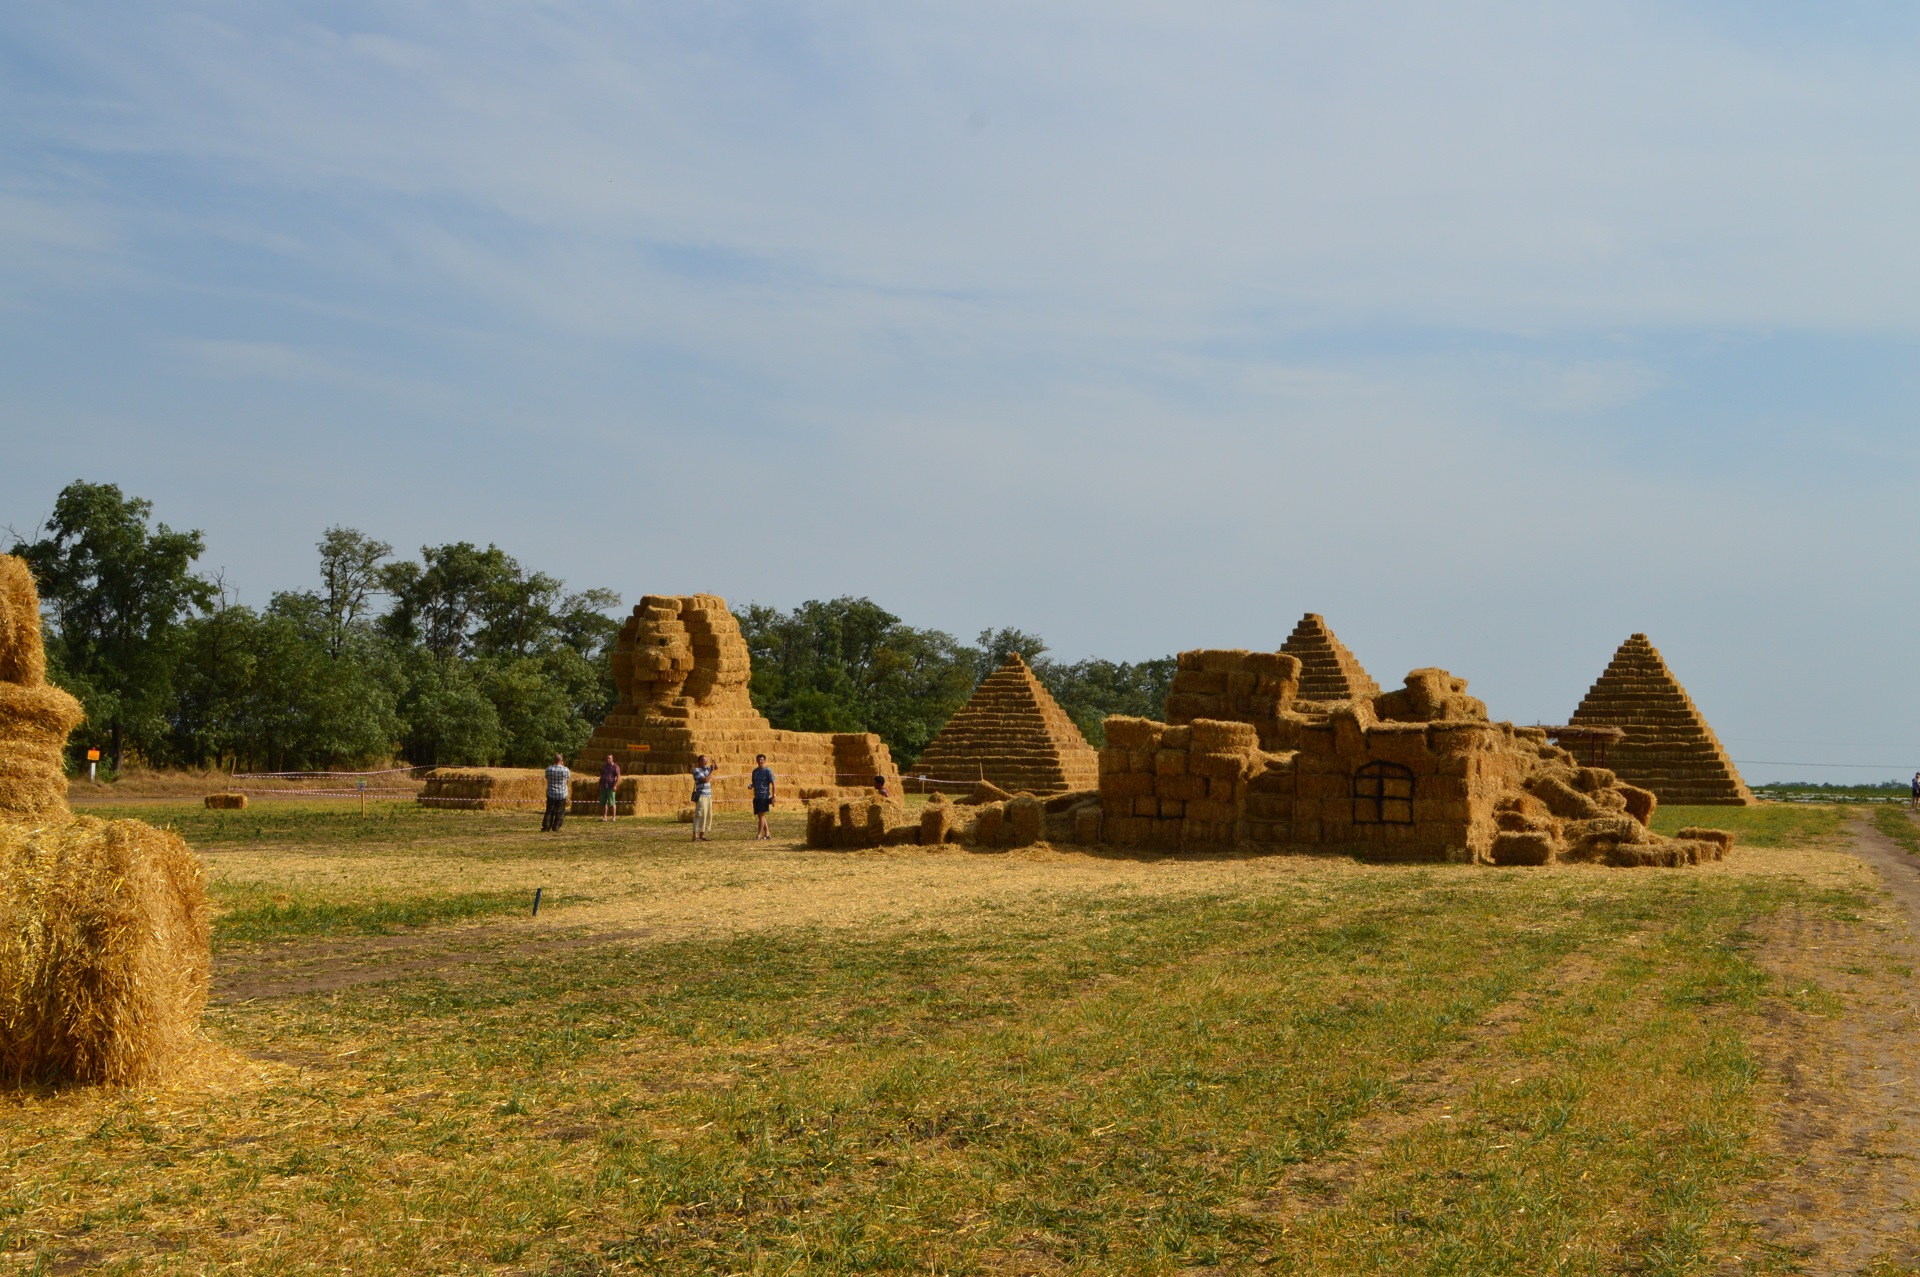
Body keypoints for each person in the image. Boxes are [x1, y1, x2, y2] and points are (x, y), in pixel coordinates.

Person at [542, 752, 571, 832]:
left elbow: (546, 777)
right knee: (560, 811)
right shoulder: (565, 770)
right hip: (562, 793)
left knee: (549, 811)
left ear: (553, 760)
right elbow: (568, 778)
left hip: (551, 792)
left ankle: (546, 826)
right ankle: (556, 826)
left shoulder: (549, 769)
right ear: (561, 761)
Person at [691, 753, 716, 841]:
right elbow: (705, 780)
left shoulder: (706, 769)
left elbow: (716, 767)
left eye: (706, 760)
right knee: (699, 814)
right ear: (699, 761)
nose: (706, 762)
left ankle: (702, 835)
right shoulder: (696, 771)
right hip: (701, 795)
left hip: (708, 796)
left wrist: (714, 764)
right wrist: (712, 771)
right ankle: (695, 836)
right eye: (704, 760)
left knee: (707, 815)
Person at [751, 753, 776, 840]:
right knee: (760, 815)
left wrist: (774, 796)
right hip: (756, 796)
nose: (760, 761)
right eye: (759, 759)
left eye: (762, 759)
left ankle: (759, 834)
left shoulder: (768, 771)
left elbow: (773, 784)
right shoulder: (754, 772)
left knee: (761, 815)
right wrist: (751, 786)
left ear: (764, 761)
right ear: (756, 761)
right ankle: (768, 833)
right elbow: (754, 783)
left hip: (764, 796)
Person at [599, 753, 621, 823]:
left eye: (609, 758)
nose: (608, 759)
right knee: (604, 802)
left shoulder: (615, 767)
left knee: (612, 802)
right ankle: (604, 816)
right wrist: (600, 785)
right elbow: (601, 776)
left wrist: (615, 785)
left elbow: (618, 777)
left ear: (612, 759)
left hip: (611, 786)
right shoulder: (604, 767)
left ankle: (614, 817)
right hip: (604, 786)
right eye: (607, 758)